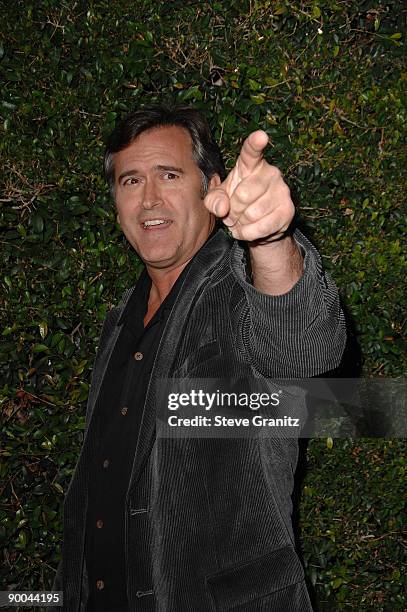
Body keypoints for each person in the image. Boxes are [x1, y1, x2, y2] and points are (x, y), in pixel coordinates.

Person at [54, 104, 346, 611]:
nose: (149, 198)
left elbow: (303, 348)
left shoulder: (236, 289)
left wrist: (270, 240)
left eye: (169, 175)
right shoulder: (122, 318)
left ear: (212, 189)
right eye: (130, 181)